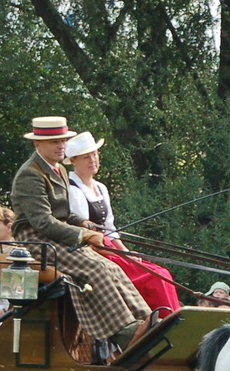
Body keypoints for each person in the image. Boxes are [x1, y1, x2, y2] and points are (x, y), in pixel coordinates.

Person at [10, 116, 154, 351]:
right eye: (54, 141)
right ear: (38, 144)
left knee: (111, 266)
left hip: (57, 234)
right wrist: (83, 236)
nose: (61, 146)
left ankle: (146, 320)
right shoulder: (30, 174)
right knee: (94, 268)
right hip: (34, 239)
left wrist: (85, 224)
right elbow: (43, 221)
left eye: (63, 140)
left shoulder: (59, 170)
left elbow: (64, 215)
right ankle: (124, 333)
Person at [64, 131, 181, 315]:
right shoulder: (73, 190)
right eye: (86, 157)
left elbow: (110, 228)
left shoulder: (100, 187)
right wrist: (114, 251)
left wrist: (126, 252)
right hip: (93, 250)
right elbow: (83, 231)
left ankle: (174, 319)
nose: (92, 160)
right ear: (73, 161)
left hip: (109, 246)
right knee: (154, 278)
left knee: (163, 273)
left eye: (94, 155)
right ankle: (161, 321)